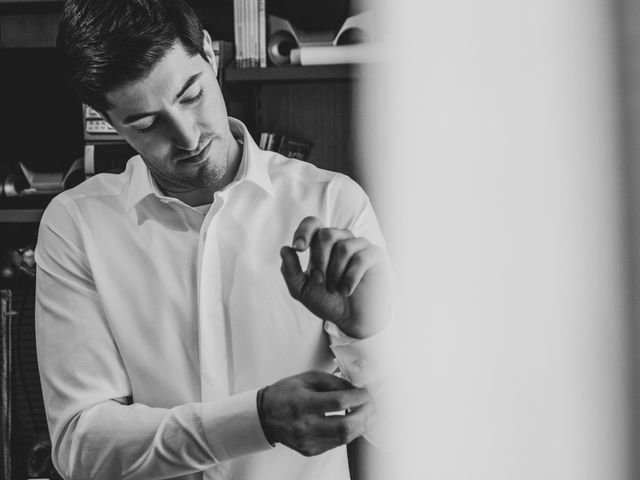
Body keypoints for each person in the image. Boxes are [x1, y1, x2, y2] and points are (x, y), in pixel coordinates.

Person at [35, 0, 393, 479]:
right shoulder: (76, 225)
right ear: (107, 119)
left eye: (191, 95)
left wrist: (369, 335)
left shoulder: (334, 203)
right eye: (145, 124)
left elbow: (405, 432)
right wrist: (257, 420)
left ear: (208, 52)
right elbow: (82, 447)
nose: (187, 137)